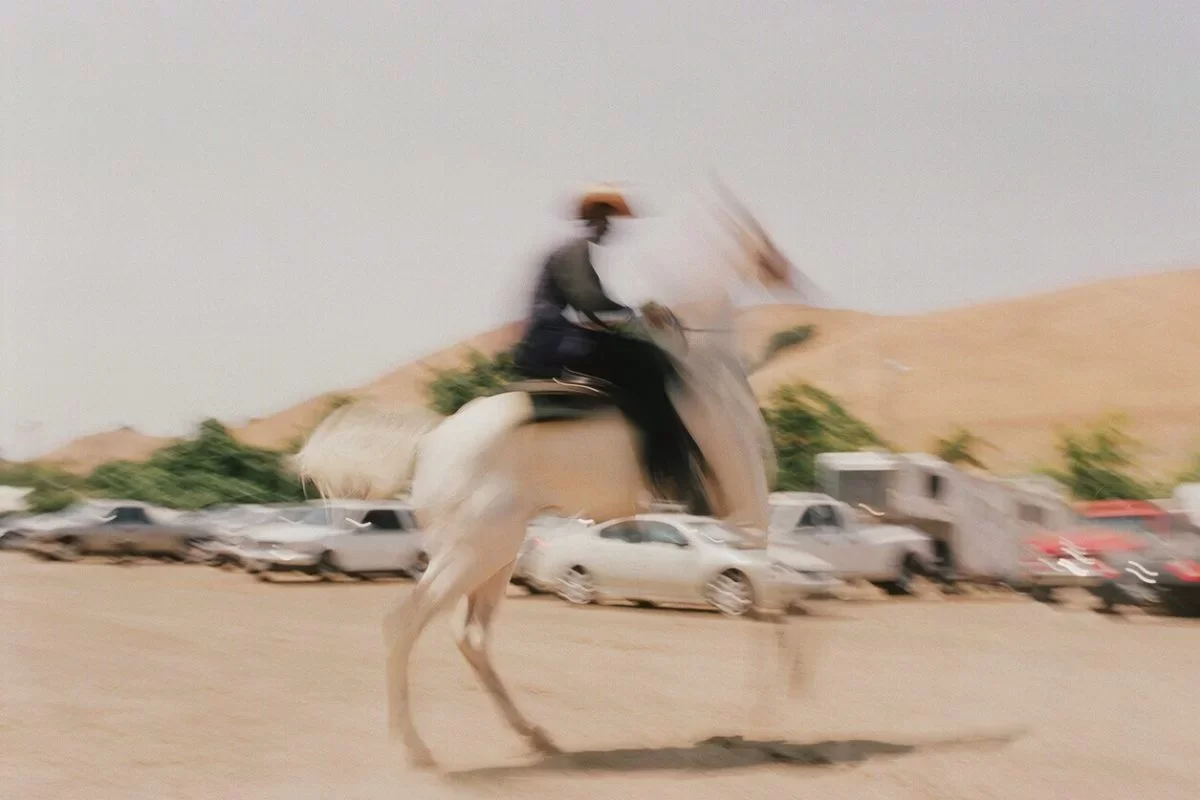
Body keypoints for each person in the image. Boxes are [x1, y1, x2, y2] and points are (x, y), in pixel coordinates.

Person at [512, 186, 711, 512]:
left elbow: (593, 311)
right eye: (607, 219)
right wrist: (641, 314)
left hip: (553, 340)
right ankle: (668, 471)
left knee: (637, 355)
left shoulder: (576, 253)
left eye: (612, 220)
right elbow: (590, 301)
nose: (611, 226)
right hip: (557, 343)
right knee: (654, 364)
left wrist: (632, 319)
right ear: (593, 219)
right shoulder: (574, 251)